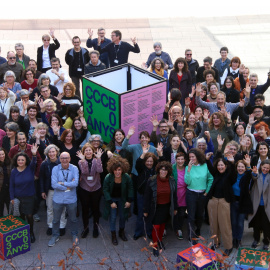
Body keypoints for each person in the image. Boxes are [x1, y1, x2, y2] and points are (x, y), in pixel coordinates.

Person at [144, 161, 177, 256]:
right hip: (155, 207)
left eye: (166, 170)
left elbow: (174, 195)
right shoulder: (152, 180)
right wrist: (145, 210)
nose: (164, 171)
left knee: (163, 225)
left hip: (166, 206)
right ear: (158, 170)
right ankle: (155, 245)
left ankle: (160, 240)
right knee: (156, 227)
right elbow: (147, 196)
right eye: (162, 169)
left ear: (168, 171)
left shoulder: (171, 180)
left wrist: (175, 208)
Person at [205, 152, 236, 256]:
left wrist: (231, 163)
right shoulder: (216, 174)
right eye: (218, 165)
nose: (220, 167)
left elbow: (233, 175)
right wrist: (207, 159)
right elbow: (210, 167)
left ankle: (228, 247)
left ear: (225, 166)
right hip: (213, 200)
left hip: (224, 201)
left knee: (225, 225)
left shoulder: (229, 175)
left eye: (222, 165)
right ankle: (215, 243)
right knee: (213, 224)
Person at [48, 152, 79, 247]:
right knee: (55, 219)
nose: (64, 160)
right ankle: (55, 235)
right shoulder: (55, 169)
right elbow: (54, 185)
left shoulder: (74, 168)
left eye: (66, 158)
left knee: (73, 219)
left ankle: (74, 235)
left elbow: (76, 183)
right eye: (62, 158)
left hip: (71, 199)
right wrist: (68, 185)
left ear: (70, 158)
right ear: (59, 159)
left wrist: (62, 184)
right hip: (58, 199)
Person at [9, 143, 39, 243]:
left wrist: (34, 154)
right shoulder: (13, 171)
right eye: (19, 160)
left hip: (29, 197)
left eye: (22, 160)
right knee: (21, 216)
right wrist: (12, 198)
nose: (20, 161)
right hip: (18, 197)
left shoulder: (30, 168)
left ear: (26, 160)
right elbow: (11, 186)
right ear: (16, 161)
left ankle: (31, 233)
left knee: (29, 216)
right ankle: (23, 233)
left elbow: (35, 162)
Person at [184, 148, 213, 243]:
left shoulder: (205, 166)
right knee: (191, 216)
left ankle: (198, 230)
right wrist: (188, 169)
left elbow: (210, 179)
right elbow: (187, 182)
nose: (191, 158)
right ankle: (191, 236)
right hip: (191, 193)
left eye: (193, 156)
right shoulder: (188, 167)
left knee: (200, 214)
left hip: (202, 194)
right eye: (189, 157)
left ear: (197, 157)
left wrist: (206, 192)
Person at [103, 156, 133, 245]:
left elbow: (131, 188)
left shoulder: (126, 177)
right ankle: (113, 235)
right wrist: (110, 202)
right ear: (112, 170)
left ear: (122, 169)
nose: (117, 172)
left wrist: (129, 201)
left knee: (123, 216)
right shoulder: (108, 177)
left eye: (119, 170)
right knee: (113, 218)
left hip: (122, 199)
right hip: (112, 199)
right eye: (115, 170)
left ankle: (121, 232)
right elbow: (105, 189)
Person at [39, 144, 67, 236]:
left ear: (57, 152)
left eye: (53, 151)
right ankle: (50, 226)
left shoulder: (62, 162)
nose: (51, 154)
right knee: (50, 209)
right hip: (50, 190)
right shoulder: (44, 164)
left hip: (61, 190)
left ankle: (62, 226)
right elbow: (41, 178)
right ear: (47, 153)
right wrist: (42, 191)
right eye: (49, 152)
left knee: (62, 209)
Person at [77, 144, 103, 238]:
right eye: (86, 150)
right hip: (84, 188)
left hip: (96, 188)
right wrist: (83, 161)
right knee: (85, 209)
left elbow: (100, 170)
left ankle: (96, 228)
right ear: (83, 152)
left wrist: (99, 159)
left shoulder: (97, 160)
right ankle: (86, 228)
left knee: (96, 209)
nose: (88, 152)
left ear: (93, 151)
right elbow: (84, 172)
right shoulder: (80, 161)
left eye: (90, 150)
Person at [133, 152, 158, 240]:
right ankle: (138, 232)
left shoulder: (156, 170)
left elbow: (163, 163)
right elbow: (138, 163)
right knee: (140, 214)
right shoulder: (141, 169)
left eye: (151, 161)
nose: (149, 163)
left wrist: (160, 154)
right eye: (147, 161)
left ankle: (149, 232)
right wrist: (143, 154)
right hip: (141, 194)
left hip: (152, 196)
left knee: (151, 214)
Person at [231, 156, 253, 249]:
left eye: (242, 167)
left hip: (242, 203)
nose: (240, 168)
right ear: (236, 168)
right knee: (233, 222)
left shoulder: (246, 177)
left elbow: (249, 173)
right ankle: (234, 238)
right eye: (239, 167)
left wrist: (248, 165)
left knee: (240, 223)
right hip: (233, 203)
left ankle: (239, 238)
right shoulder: (233, 176)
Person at [249, 160, 270, 251]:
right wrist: (254, 173)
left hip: (267, 205)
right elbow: (254, 177)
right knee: (256, 224)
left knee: (267, 225)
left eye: (267, 168)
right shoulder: (257, 175)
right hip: (257, 204)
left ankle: (266, 241)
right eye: (264, 167)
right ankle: (256, 239)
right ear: (261, 166)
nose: (265, 169)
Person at [172, 152, 187, 240]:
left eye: (182, 159)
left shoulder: (187, 168)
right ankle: (170, 227)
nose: (180, 161)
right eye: (178, 159)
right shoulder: (172, 168)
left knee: (182, 213)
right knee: (173, 211)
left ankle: (179, 228)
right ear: (176, 160)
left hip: (184, 193)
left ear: (184, 160)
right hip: (174, 193)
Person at [0, 148, 11, 217]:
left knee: (10, 208)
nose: (1, 156)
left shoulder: (9, 163)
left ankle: (11, 225)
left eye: (2, 154)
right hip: (1, 189)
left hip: (8, 189)